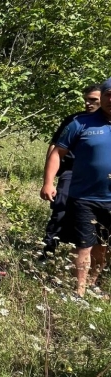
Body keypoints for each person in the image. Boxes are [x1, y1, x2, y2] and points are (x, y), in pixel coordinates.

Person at [40, 77, 111, 300]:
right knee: (83, 245)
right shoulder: (80, 123)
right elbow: (56, 153)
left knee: (103, 245)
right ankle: (78, 292)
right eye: (108, 95)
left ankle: (94, 282)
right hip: (83, 197)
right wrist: (48, 182)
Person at [41, 85, 101, 259]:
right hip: (71, 172)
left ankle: (92, 256)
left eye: (93, 100)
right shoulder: (75, 120)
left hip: (100, 178)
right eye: (86, 100)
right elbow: (55, 147)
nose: (88, 104)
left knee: (98, 217)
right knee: (60, 210)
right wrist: (48, 180)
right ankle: (48, 251)